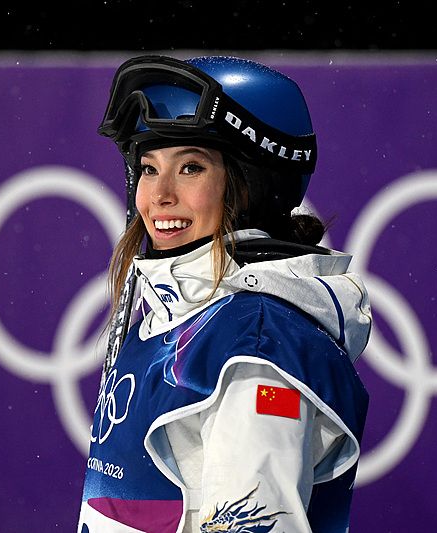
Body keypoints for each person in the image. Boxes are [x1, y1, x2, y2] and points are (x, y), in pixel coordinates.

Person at [77, 54, 372, 533]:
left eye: (191, 168)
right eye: (148, 168)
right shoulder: (174, 317)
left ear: (251, 185)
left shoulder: (255, 348)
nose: (159, 195)